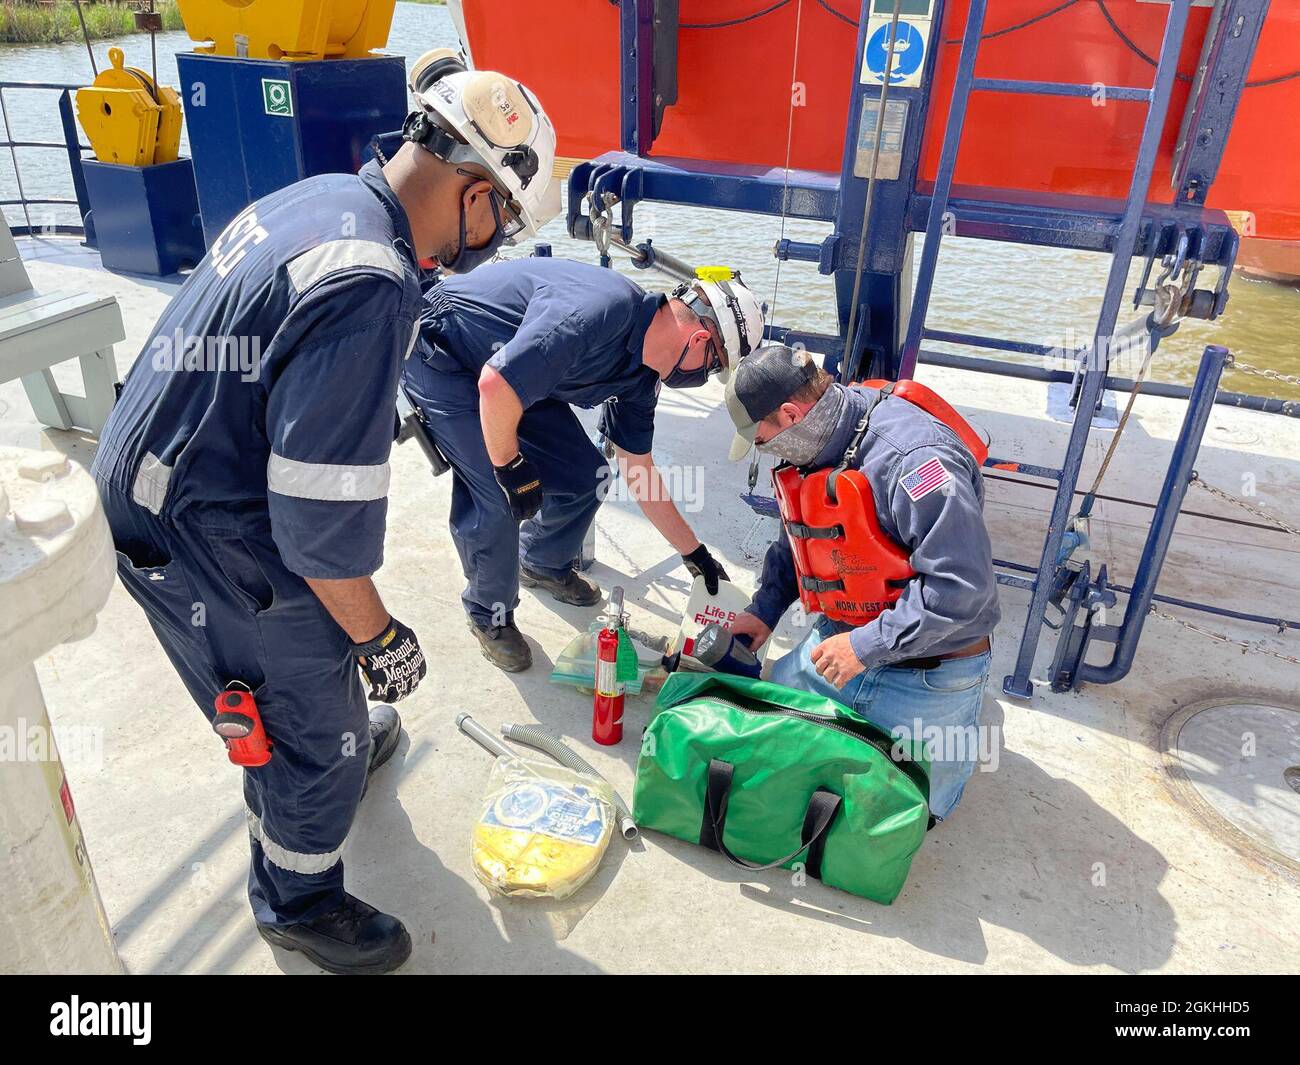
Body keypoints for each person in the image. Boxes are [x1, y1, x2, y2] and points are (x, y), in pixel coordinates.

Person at [90, 52, 560, 974]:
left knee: (317, 675)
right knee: (306, 706)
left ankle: (331, 730)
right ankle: (297, 897)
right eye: (502, 219)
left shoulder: (332, 198)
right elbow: (316, 539)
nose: (495, 241)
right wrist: (382, 638)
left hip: (168, 463)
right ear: (474, 193)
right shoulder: (371, 283)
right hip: (197, 528)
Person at [403, 260, 765, 671]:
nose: (704, 376)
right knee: (498, 495)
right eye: (714, 367)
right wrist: (510, 468)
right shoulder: (597, 312)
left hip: (511, 374)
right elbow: (494, 384)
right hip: (448, 354)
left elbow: (638, 469)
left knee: (586, 477)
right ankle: (490, 616)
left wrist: (694, 553)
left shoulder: (642, 379)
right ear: (700, 339)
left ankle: (541, 562)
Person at [725, 344, 1000, 820]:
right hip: (840, 641)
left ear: (791, 415)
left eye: (762, 438)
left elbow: (963, 591)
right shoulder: (817, 437)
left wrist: (865, 647)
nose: (762, 448)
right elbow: (805, 529)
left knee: (904, 815)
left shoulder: (915, 463)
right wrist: (765, 610)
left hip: (928, 671)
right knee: (763, 764)